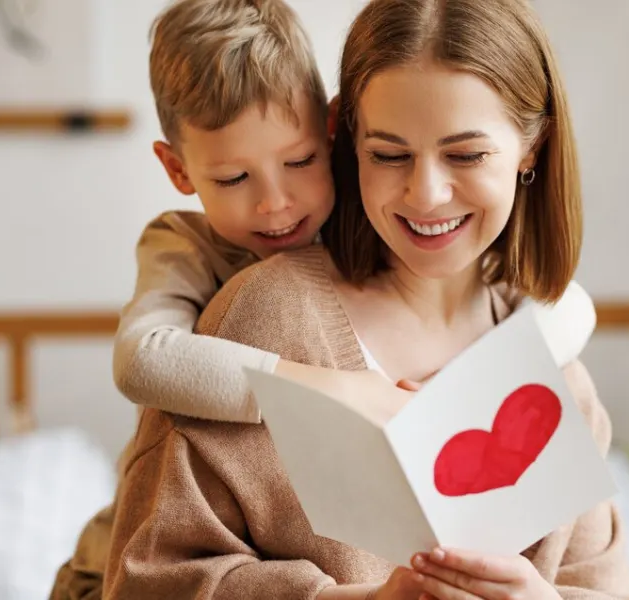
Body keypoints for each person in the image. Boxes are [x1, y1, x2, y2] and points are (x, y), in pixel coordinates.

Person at [50, 0, 595, 597]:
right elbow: (146, 576)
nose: (427, 193)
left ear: (532, 147)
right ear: (352, 140)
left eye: (466, 154)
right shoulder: (248, 306)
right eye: (388, 155)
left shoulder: (552, 358)